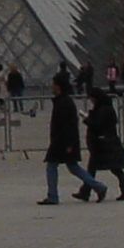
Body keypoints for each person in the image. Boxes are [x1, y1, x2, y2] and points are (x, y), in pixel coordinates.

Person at [39, 74, 103, 204]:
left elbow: (69, 125)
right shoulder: (64, 101)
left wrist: (69, 144)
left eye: (53, 84)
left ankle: (53, 196)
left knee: (52, 166)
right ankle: (99, 187)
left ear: (58, 86)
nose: (51, 86)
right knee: (73, 167)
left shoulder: (63, 103)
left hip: (61, 141)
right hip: (64, 141)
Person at [84, 87, 124, 201]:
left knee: (113, 168)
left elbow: (97, 125)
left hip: (105, 144)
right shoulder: (106, 108)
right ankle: (85, 190)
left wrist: (87, 119)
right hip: (107, 143)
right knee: (108, 168)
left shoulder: (104, 110)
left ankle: (86, 190)